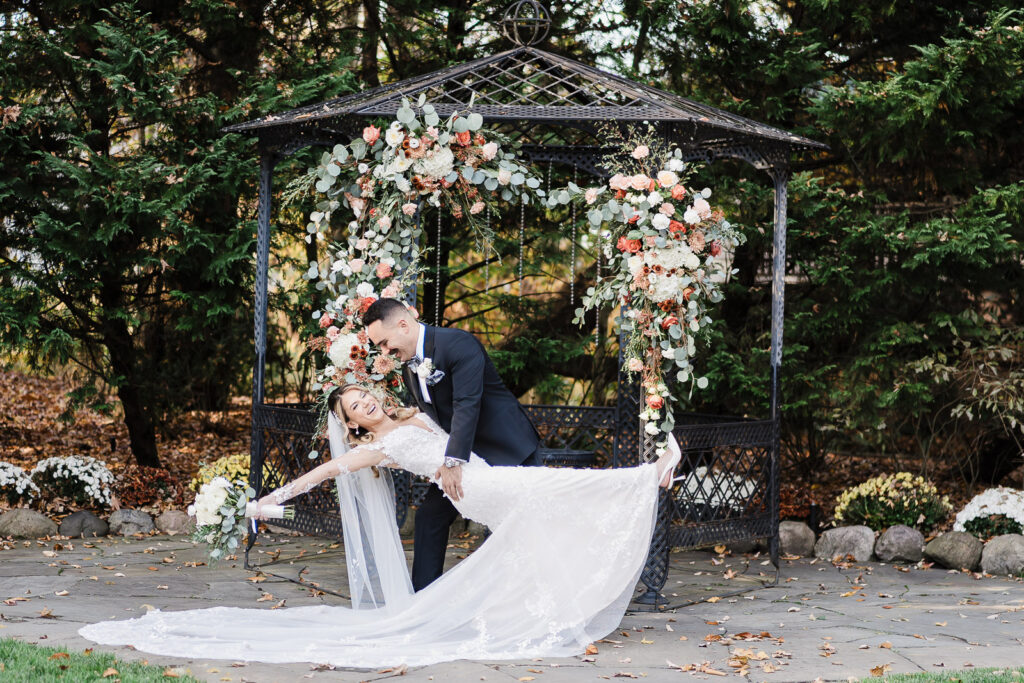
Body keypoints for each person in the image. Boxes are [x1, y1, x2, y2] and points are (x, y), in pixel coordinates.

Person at [79, 385, 682, 668]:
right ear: (353, 424)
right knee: (555, 487)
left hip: (481, 482)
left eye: (367, 395)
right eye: (355, 408)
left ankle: (550, 611)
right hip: (482, 490)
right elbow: (324, 471)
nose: (366, 404)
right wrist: (270, 498)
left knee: (544, 531)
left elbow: (453, 413)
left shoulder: (413, 415)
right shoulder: (378, 448)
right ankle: (647, 475)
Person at [362, 297, 542, 590]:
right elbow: (435, 418)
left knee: (521, 525)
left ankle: (525, 598)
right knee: (430, 518)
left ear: (404, 325)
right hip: (465, 453)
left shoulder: (458, 344)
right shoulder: (410, 367)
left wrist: (452, 461)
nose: (385, 352)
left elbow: (466, 406)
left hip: (507, 448)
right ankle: (421, 603)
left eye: (384, 342)